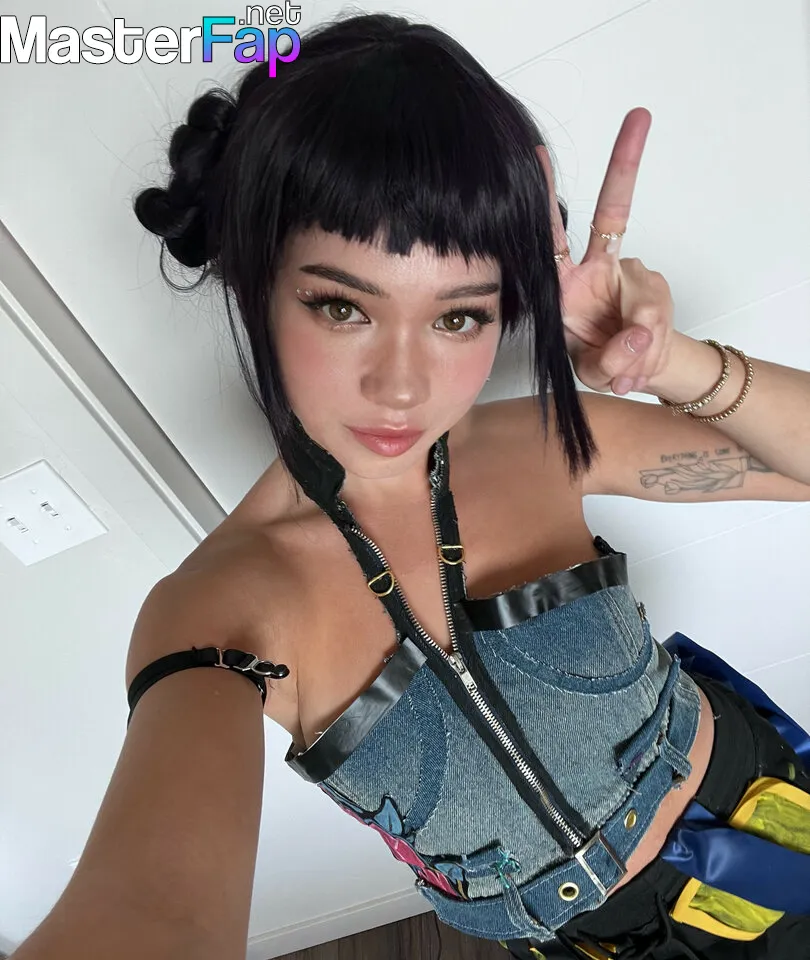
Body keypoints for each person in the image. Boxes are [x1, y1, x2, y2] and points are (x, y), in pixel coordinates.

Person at [12, 11, 810, 960]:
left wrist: (670, 363)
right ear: (254, 282)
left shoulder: (544, 442)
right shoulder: (218, 611)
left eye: (459, 318)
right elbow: (151, 916)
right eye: (341, 306)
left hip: (773, 815)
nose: (401, 385)